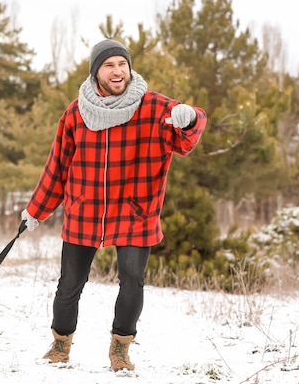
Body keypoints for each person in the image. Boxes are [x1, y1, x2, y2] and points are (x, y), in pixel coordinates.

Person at [20, 39, 207, 372]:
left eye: (122, 64)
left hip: (134, 211)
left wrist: (189, 118)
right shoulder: (76, 112)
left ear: (130, 68)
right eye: (109, 65)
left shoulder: (153, 108)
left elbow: (186, 137)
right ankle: (61, 344)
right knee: (69, 284)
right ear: (96, 72)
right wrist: (36, 209)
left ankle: (120, 348)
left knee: (132, 281)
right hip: (84, 210)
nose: (117, 71)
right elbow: (58, 166)